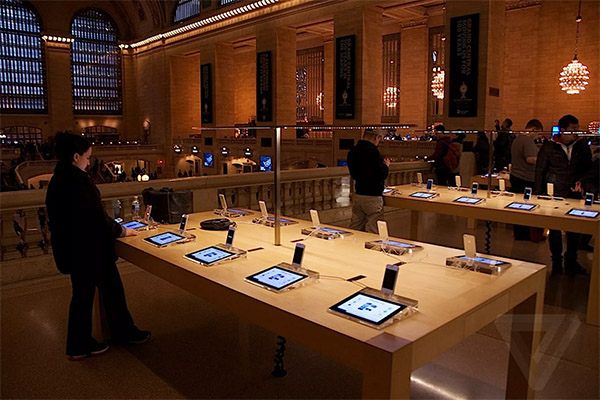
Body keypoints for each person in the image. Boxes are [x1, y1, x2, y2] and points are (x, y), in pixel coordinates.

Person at [45, 133, 150, 361]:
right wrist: (121, 231)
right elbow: (95, 216)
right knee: (108, 291)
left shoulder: (58, 179)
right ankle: (111, 336)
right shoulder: (77, 180)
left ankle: (82, 343)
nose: (89, 162)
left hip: (75, 250)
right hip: (89, 251)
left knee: (85, 296)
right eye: (87, 157)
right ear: (75, 157)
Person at [534, 115, 592, 274]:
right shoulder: (549, 147)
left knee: (575, 228)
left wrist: (581, 181)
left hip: (574, 193)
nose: (576, 132)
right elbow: (540, 170)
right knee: (555, 229)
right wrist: (538, 194)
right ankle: (557, 261)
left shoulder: (582, 147)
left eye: (577, 128)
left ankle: (571, 260)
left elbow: (588, 169)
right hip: (554, 192)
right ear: (563, 129)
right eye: (573, 128)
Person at [347, 129, 390, 233]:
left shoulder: (353, 151)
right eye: (379, 138)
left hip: (359, 193)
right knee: (373, 228)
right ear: (375, 137)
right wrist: (386, 166)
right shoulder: (373, 152)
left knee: (355, 227)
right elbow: (380, 174)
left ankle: (351, 246)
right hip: (373, 195)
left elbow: (353, 174)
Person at [510, 119, 541, 240]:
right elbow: (530, 159)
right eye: (538, 133)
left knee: (518, 206)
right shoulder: (528, 141)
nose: (538, 136)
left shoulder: (517, 140)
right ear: (533, 129)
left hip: (516, 175)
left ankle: (519, 233)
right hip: (525, 178)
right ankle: (525, 234)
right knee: (525, 207)